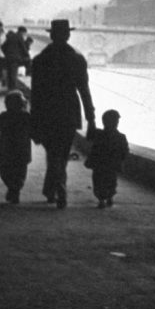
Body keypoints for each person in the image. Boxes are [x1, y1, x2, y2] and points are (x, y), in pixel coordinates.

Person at [30, 19, 95, 209]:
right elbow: (84, 91)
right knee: (62, 153)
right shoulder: (77, 59)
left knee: (52, 154)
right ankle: (57, 189)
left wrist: (34, 119)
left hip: (46, 112)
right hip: (68, 113)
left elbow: (35, 93)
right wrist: (91, 118)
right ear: (68, 35)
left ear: (51, 35)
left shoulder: (40, 60)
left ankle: (55, 189)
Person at [85, 109, 129, 208]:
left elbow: (89, 137)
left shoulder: (98, 134)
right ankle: (109, 197)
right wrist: (121, 161)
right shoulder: (121, 137)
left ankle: (101, 200)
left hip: (99, 165)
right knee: (111, 182)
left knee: (98, 182)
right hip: (112, 165)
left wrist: (91, 121)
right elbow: (125, 151)